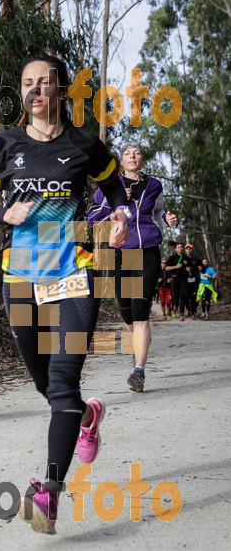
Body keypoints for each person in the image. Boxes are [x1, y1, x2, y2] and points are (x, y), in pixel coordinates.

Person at [0, 53, 130, 535]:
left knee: (61, 383)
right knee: (45, 384)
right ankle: (86, 416)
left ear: (62, 89)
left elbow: (115, 191)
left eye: (46, 82)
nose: (37, 90)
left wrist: (120, 216)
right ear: (21, 92)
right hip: (20, 276)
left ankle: (49, 492)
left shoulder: (85, 144)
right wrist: (5, 216)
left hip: (75, 273)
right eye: (27, 83)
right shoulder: (2, 145)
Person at [87, 143, 178, 393]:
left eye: (137, 153)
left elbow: (157, 211)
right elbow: (92, 217)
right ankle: (139, 345)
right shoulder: (108, 186)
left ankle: (139, 370)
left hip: (147, 249)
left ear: (142, 159)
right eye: (127, 153)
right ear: (121, 160)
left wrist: (167, 218)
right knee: (126, 312)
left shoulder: (154, 185)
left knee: (140, 310)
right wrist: (115, 202)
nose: (132, 156)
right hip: (120, 252)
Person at [165, 241, 190, 321]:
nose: (180, 249)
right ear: (175, 249)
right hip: (175, 279)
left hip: (183, 279)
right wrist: (175, 267)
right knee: (175, 296)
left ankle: (181, 314)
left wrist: (189, 269)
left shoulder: (186, 258)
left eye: (181, 247)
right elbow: (166, 268)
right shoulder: (172, 257)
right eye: (178, 247)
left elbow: (190, 267)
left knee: (182, 295)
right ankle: (176, 305)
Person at [183, 243, 203, 319]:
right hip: (186, 281)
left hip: (195, 280)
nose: (188, 250)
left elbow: (203, 269)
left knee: (194, 297)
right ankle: (187, 308)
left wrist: (201, 269)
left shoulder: (196, 259)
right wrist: (185, 269)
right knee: (185, 297)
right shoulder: (183, 259)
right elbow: (178, 269)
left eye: (190, 248)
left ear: (192, 250)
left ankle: (193, 312)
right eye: (187, 249)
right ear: (185, 250)